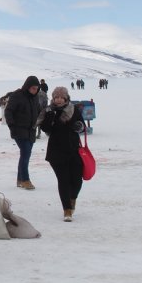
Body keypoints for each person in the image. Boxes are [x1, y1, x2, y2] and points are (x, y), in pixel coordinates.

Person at [37, 86, 85, 222]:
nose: (58, 100)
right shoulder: (48, 111)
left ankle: (72, 198)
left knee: (77, 180)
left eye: (60, 97)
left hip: (74, 150)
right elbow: (46, 129)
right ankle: (67, 210)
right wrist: (49, 117)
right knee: (63, 180)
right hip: (56, 152)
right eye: (55, 97)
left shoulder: (73, 109)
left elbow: (82, 125)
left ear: (66, 98)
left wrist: (79, 126)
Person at [4, 76, 41, 190]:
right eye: (33, 88)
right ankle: (25, 180)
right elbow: (8, 111)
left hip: (31, 131)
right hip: (19, 130)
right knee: (25, 153)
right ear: (27, 87)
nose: (35, 91)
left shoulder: (35, 97)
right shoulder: (17, 95)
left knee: (26, 154)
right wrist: (12, 126)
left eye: (36, 89)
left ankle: (20, 179)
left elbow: (38, 111)